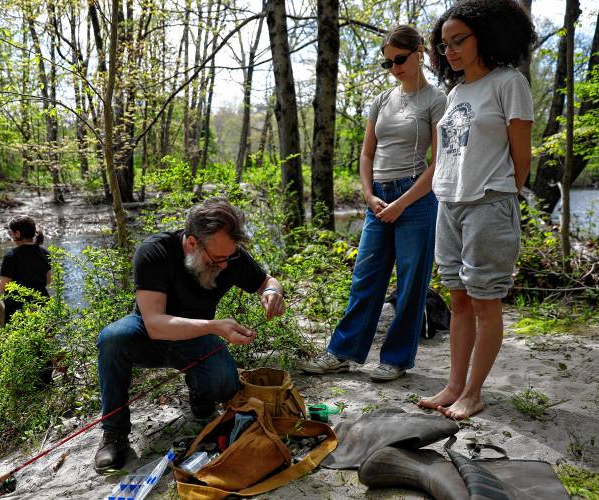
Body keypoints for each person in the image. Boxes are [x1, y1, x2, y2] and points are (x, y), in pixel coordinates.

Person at [94, 198, 285, 473]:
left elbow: (267, 280)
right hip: (147, 335)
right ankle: (114, 435)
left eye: (229, 258)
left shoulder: (229, 257)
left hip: (196, 340)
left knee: (225, 383)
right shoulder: (154, 252)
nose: (223, 266)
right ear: (193, 243)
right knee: (112, 338)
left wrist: (272, 293)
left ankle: (201, 396)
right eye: (217, 258)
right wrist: (215, 326)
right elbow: (155, 323)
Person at [301, 25, 446, 382]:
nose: (394, 67)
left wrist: (403, 202)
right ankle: (342, 353)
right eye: (388, 63)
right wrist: (369, 195)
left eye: (400, 59)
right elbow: (366, 154)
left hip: (416, 198)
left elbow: (439, 163)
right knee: (365, 278)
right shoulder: (382, 100)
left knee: (411, 282)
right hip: (378, 198)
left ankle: (395, 359)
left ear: (420, 54)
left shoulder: (436, 99)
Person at [418, 0, 535, 420]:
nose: (448, 50)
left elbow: (522, 158)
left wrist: (503, 195)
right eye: (443, 43)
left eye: (458, 40)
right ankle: (453, 385)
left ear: (486, 35)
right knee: (459, 301)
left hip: (488, 201)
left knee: (486, 302)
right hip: (448, 203)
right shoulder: (456, 91)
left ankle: (473, 391)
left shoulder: (509, 83)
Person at [0, 215, 52, 325]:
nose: (11, 236)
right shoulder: (45, 253)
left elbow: (3, 286)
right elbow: (48, 281)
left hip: (18, 308)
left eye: (11, 233)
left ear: (18, 234)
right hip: (42, 303)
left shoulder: (11, 256)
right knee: (45, 338)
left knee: (20, 340)